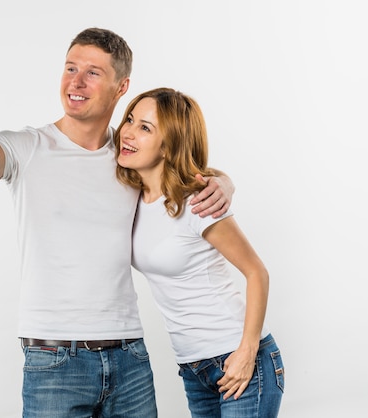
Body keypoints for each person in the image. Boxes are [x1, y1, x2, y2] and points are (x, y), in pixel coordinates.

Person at [0, 27, 234, 417]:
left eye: (93, 72)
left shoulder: (129, 156)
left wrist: (224, 182)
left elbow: (181, 172)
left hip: (130, 357)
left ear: (121, 86)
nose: (75, 82)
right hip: (54, 363)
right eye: (70, 68)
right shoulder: (28, 149)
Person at [114, 87, 284, 417]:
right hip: (193, 369)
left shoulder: (198, 202)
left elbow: (256, 272)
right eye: (130, 120)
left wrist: (247, 351)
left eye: (145, 128)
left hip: (238, 357)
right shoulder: (130, 198)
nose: (128, 133)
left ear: (168, 146)